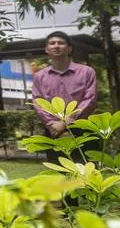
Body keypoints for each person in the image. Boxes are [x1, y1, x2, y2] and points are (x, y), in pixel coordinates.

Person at [31, 30, 98, 161]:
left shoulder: (87, 72)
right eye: (52, 43)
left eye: (61, 43)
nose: (56, 46)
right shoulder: (40, 76)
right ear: (47, 49)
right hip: (53, 131)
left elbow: (90, 99)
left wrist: (66, 123)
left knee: (87, 173)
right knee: (59, 174)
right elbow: (38, 102)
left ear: (69, 49)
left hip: (82, 129)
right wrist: (53, 124)